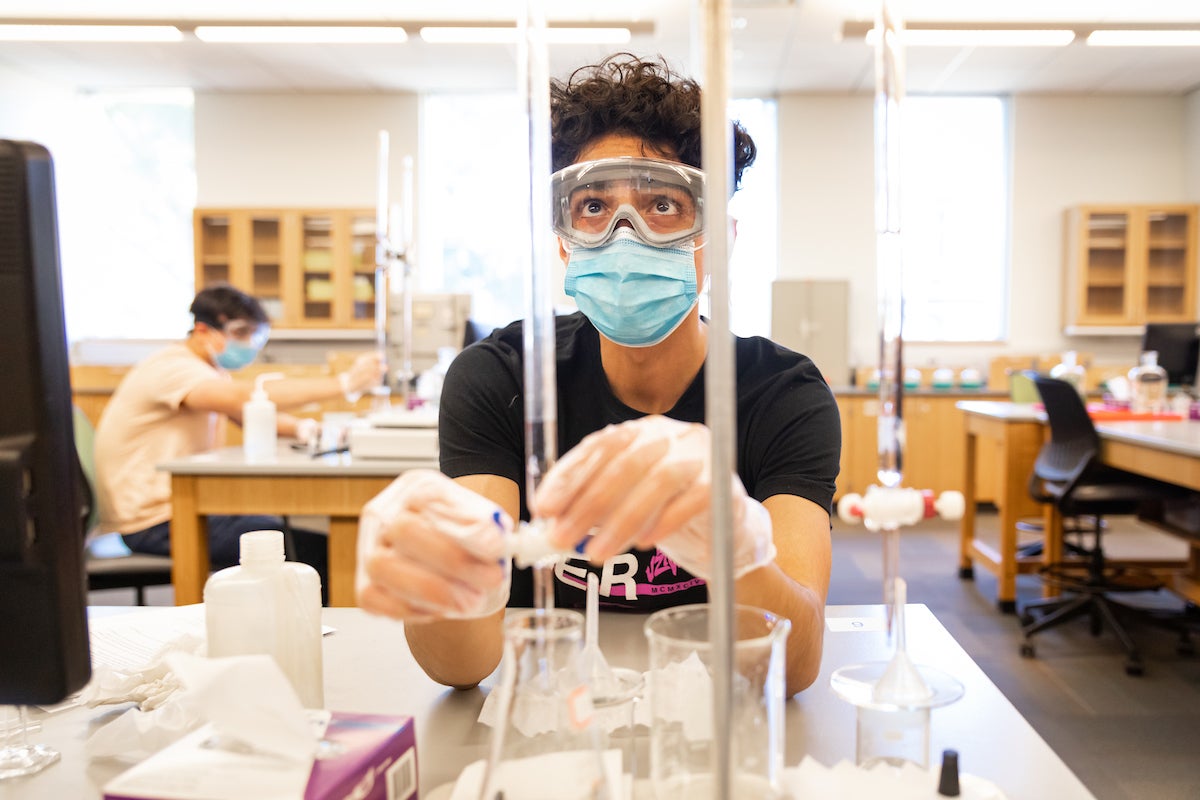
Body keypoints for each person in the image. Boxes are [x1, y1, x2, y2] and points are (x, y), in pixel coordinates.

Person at [356, 54, 840, 695]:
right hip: (555, 715)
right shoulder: (502, 378)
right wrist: (438, 571)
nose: (624, 235)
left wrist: (732, 544)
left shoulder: (784, 395)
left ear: (715, 238)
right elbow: (461, 665)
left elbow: (793, 666)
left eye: (663, 203)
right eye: (592, 206)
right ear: (563, 239)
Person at [94, 283, 384, 583]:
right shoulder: (173, 368)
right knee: (307, 552)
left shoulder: (207, 371)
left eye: (253, 335)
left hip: (172, 508)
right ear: (203, 330)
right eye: (240, 333)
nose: (248, 344)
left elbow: (248, 416)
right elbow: (241, 400)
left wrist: (303, 427)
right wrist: (345, 383)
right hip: (154, 521)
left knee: (283, 534)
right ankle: (305, 625)